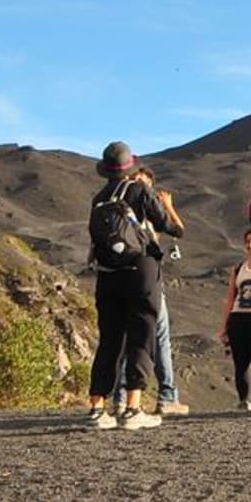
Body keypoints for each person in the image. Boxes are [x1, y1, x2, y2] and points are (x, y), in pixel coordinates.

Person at [85, 141, 180, 432]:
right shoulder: (140, 190)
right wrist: (167, 207)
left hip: (107, 275)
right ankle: (132, 408)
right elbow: (167, 226)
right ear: (130, 166)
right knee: (141, 335)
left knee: (110, 340)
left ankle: (97, 408)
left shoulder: (99, 198)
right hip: (140, 272)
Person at [114, 166, 188, 417]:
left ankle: (120, 397)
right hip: (147, 279)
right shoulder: (148, 212)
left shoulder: (119, 210)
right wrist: (168, 205)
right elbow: (178, 229)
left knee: (127, 338)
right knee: (159, 336)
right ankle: (167, 395)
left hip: (121, 277)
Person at [220, 232, 251, 410]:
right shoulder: (239, 268)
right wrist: (224, 326)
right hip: (238, 317)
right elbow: (230, 298)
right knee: (240, 362)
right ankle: (243, 400)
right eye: (247, 242)